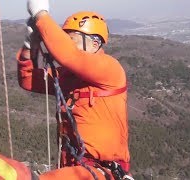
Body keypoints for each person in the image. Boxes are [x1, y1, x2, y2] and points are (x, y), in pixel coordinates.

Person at [17, 0, 132, 179]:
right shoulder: (66, 77)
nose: (66, 44)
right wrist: (29, 46)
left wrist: (41, 15)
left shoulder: (111, 69)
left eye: (72, 40)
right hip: (73, 167)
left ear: (95, 44)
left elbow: (70, 55)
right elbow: (27, 79)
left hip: (101, 171)